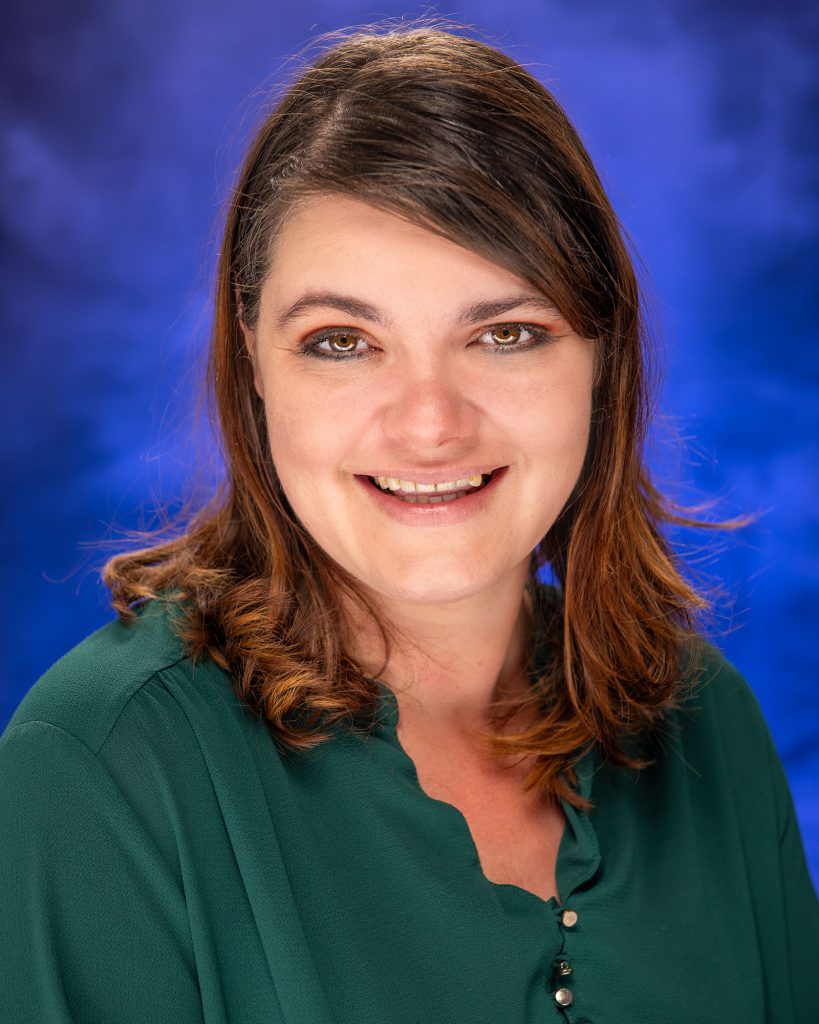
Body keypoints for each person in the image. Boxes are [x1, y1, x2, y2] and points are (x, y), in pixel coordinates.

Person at [1, 20, 817, 1024]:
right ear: (251, 361)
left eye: (507, 333)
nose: (431, 422)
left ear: (603, 359)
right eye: (343, 341)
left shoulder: (704, 722)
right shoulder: (102, 771)